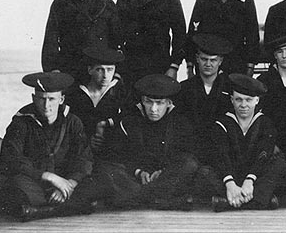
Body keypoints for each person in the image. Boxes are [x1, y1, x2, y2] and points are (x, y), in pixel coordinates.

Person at [0, 72, 95, 221]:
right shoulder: (21, 123)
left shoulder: (72, 121)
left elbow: (84, 157)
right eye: (41, 99)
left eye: (51, 99)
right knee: (17, 185)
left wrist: (69, 184)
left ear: (61, 99)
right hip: (35, 182)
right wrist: (49, 177)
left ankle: (39, 211)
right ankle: (67, 208)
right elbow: (11, 159)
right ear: (33, 98)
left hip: (65, 181)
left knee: (95, 182)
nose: (46, 105)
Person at [112, 74, 200, 210]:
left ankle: (143, 198)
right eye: (149, 102)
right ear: (142, 101)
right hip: (136, 177)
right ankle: (158, 200)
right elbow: (119, 155)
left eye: (159, 103)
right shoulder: (129, 122)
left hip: (165, 177)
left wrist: (163, 172)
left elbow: (186, 156)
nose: (153, 109)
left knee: (190, 164)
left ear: (169, 103)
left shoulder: (180, 123)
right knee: (111, 170)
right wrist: (138, 172)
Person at [209, 74, 286, 211]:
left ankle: (229, 202)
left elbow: (264, 154)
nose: (243, 105)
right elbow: (221, 155)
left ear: (257, 100)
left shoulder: (265, 123)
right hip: (230, 175)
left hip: (255, 177)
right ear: (232, 100)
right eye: (238, 99)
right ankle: (260, 200)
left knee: (280, 165)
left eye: (248, 100)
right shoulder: (222, 123)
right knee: (204, 172)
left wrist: (250, 180)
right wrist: (230, 183)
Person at [42, 0, 121, 83]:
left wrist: (115, 73)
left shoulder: (109, 5)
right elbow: (51, 39)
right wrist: (52, 70)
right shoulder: (63, 1)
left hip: (98, 75)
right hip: (69, 71)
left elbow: (116, 43)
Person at [116, 0, 186, 86]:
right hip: (131, 68)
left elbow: (180, 34)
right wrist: (119, 70)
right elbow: (117, 36)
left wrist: (174, 66)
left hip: (160, 66)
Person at [187, 0, 259, 77]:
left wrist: (250, 66)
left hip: (236, 64)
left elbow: (252, 34)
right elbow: (193, 33)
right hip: (209, 65)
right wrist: (190, 66)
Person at [63, 45, 135, 159]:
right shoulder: (76, 94)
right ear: (90, 70)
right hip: (79, 151)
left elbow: (130, 116)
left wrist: (105, 124)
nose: (106, 75)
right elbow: (70, 124)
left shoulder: (121, 92)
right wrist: (87, 139)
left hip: (112, 151)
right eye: (100, 69)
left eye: (110, 70)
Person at [175, 33, 234, 168]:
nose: (208, 64)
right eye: (204, 59)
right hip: (192, 150)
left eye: (213, 60)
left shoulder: (230, 88)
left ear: (220, 61)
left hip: (222, 150)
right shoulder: (184, 88)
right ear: (197, 59)